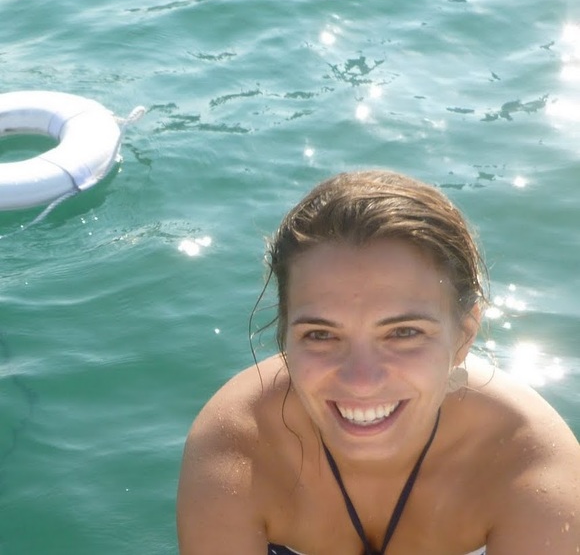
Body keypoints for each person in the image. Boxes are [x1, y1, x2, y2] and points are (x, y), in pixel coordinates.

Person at [177, 170, 580, 554]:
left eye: (403, 332)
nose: (362, 381)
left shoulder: (527, 463)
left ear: (465, 335)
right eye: (321, 335)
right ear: (285, 334)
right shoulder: (239, 443)